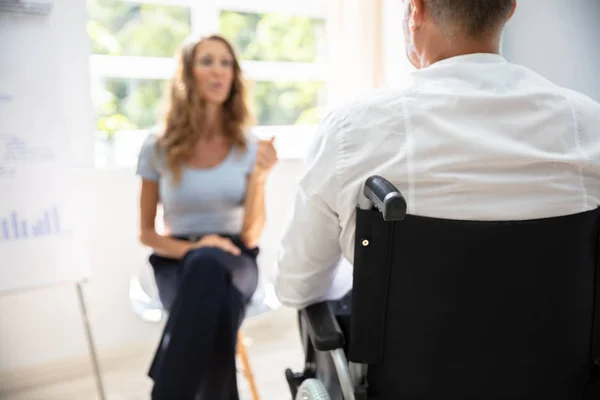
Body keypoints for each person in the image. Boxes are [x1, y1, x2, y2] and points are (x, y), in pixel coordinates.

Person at [274, 0, 600, 309]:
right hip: (562, 365)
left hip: (403, 367)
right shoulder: (588, 123)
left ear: (416, 11)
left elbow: (296, 288)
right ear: (510, 9)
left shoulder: (350, 130)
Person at [136, 34, 278, 399]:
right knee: (216, 301)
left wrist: (260, 177)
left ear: (234, 76)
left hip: (236, 258)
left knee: (211, 267)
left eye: (226, 63)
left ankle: (167, 391)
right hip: (175, 259)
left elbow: (250, 235)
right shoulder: (158, 146)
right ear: (188, 73)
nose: (218, 71)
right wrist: (199, 247)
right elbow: (147, 234)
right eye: (206, 61)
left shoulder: (249, 146)